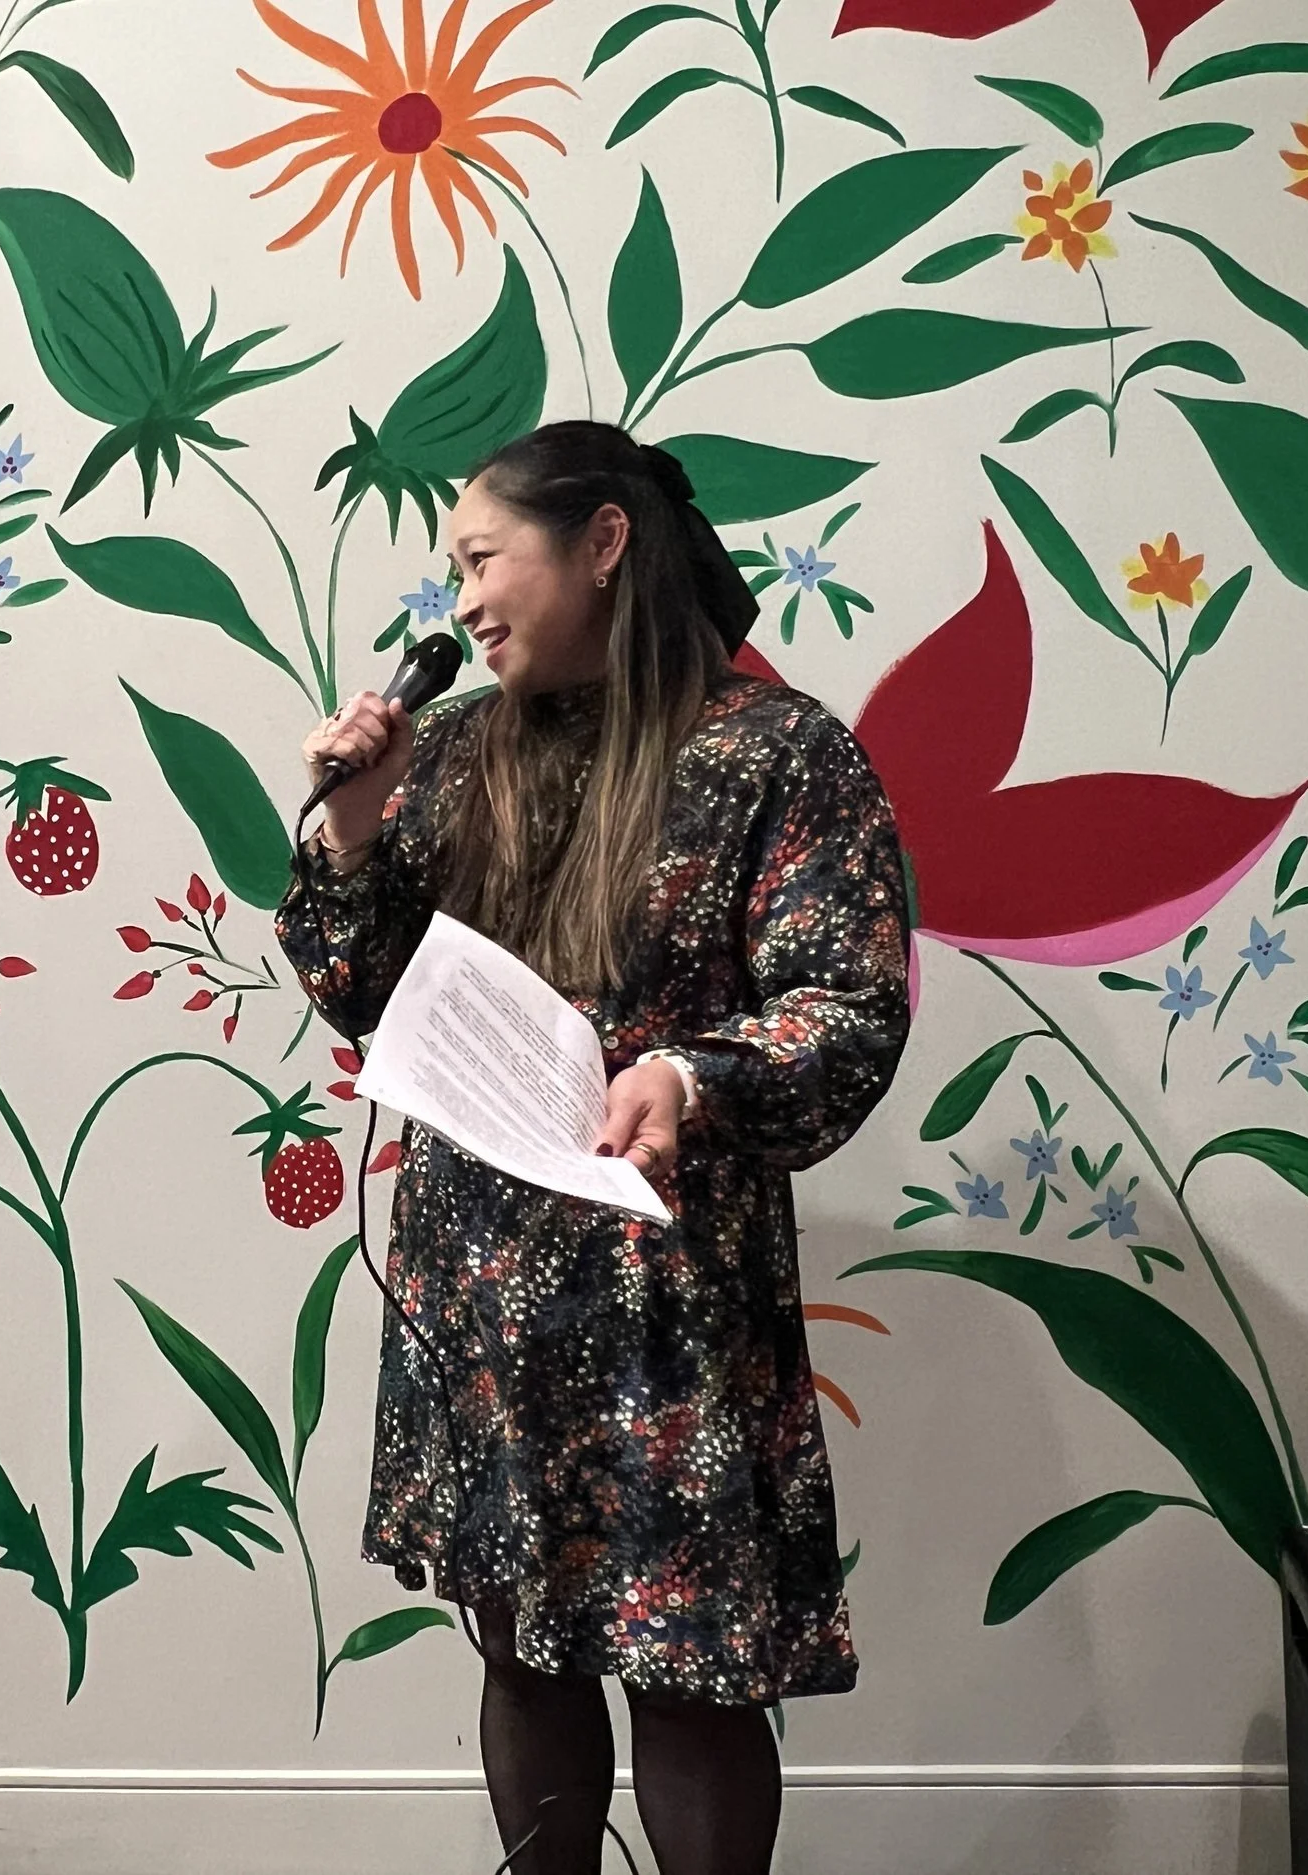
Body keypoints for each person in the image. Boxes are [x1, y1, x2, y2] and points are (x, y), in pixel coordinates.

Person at [275, 421, 911, 1875]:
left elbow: (849, 1002)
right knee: (521, 1647)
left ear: (604, 543)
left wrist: (692, 1073)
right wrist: (354, 829)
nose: (464, 602)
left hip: (667, 1287)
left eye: (483, 559)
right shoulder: (449, 755)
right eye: (454, 573)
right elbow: (367, 993)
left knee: (693, 1669)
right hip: (479, 1286)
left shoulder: (778, 751)